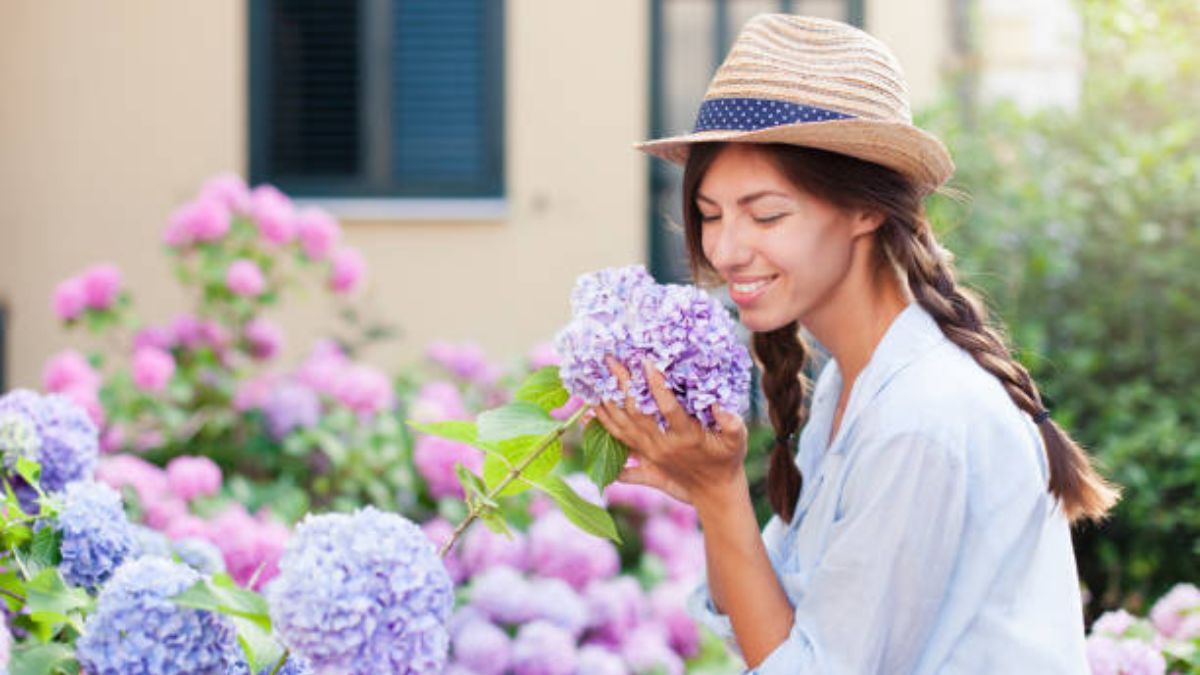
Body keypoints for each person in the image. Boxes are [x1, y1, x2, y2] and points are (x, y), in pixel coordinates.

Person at [594, 14, 1118, 674]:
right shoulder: (856, 384)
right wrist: (710, 490)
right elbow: (771, 617)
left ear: (866, 208)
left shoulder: (918, 420)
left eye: (767, 214)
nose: (725, 250)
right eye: (709, 214)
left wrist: (722, 492)